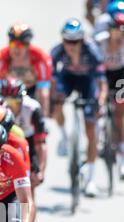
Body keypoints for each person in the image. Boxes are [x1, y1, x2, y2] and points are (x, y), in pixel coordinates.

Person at [51, 18, 108, 197]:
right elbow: (51, 79)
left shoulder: (93, 51)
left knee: (91, 130)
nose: (71, 45)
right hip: (67, 78)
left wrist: (101, 100)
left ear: (82, 40)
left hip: (87, 81)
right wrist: (53, 101)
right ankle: (64, 138)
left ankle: (90, 180)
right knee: (57, 101)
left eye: (75, 41)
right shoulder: (57, 50)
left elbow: (102, 81)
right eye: (67, 41)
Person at [0, 78, 48, 222]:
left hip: (28, 143)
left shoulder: (32, 109)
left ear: (22, 100)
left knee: (28, 189)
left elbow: (41, 144)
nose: (10, 107)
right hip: (4, 142)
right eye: (7, 103)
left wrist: (40, 171)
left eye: (14, 103)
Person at [0, 23, 52, 116]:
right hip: (9, 93)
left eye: (20, 45)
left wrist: (43, 115)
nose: (16, 49)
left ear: (28, 45)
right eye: (13, 44)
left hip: (33, 91)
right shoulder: (0, 57)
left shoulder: (41, 58)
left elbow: (43, 91)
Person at [95, 2, 124, 178]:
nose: (120, 35)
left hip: (120, 75)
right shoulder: (100, 40)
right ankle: (99, 139)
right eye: (117, 31)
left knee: (120, 111)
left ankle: (121, 153)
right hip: (102, 73)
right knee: (99, 107)